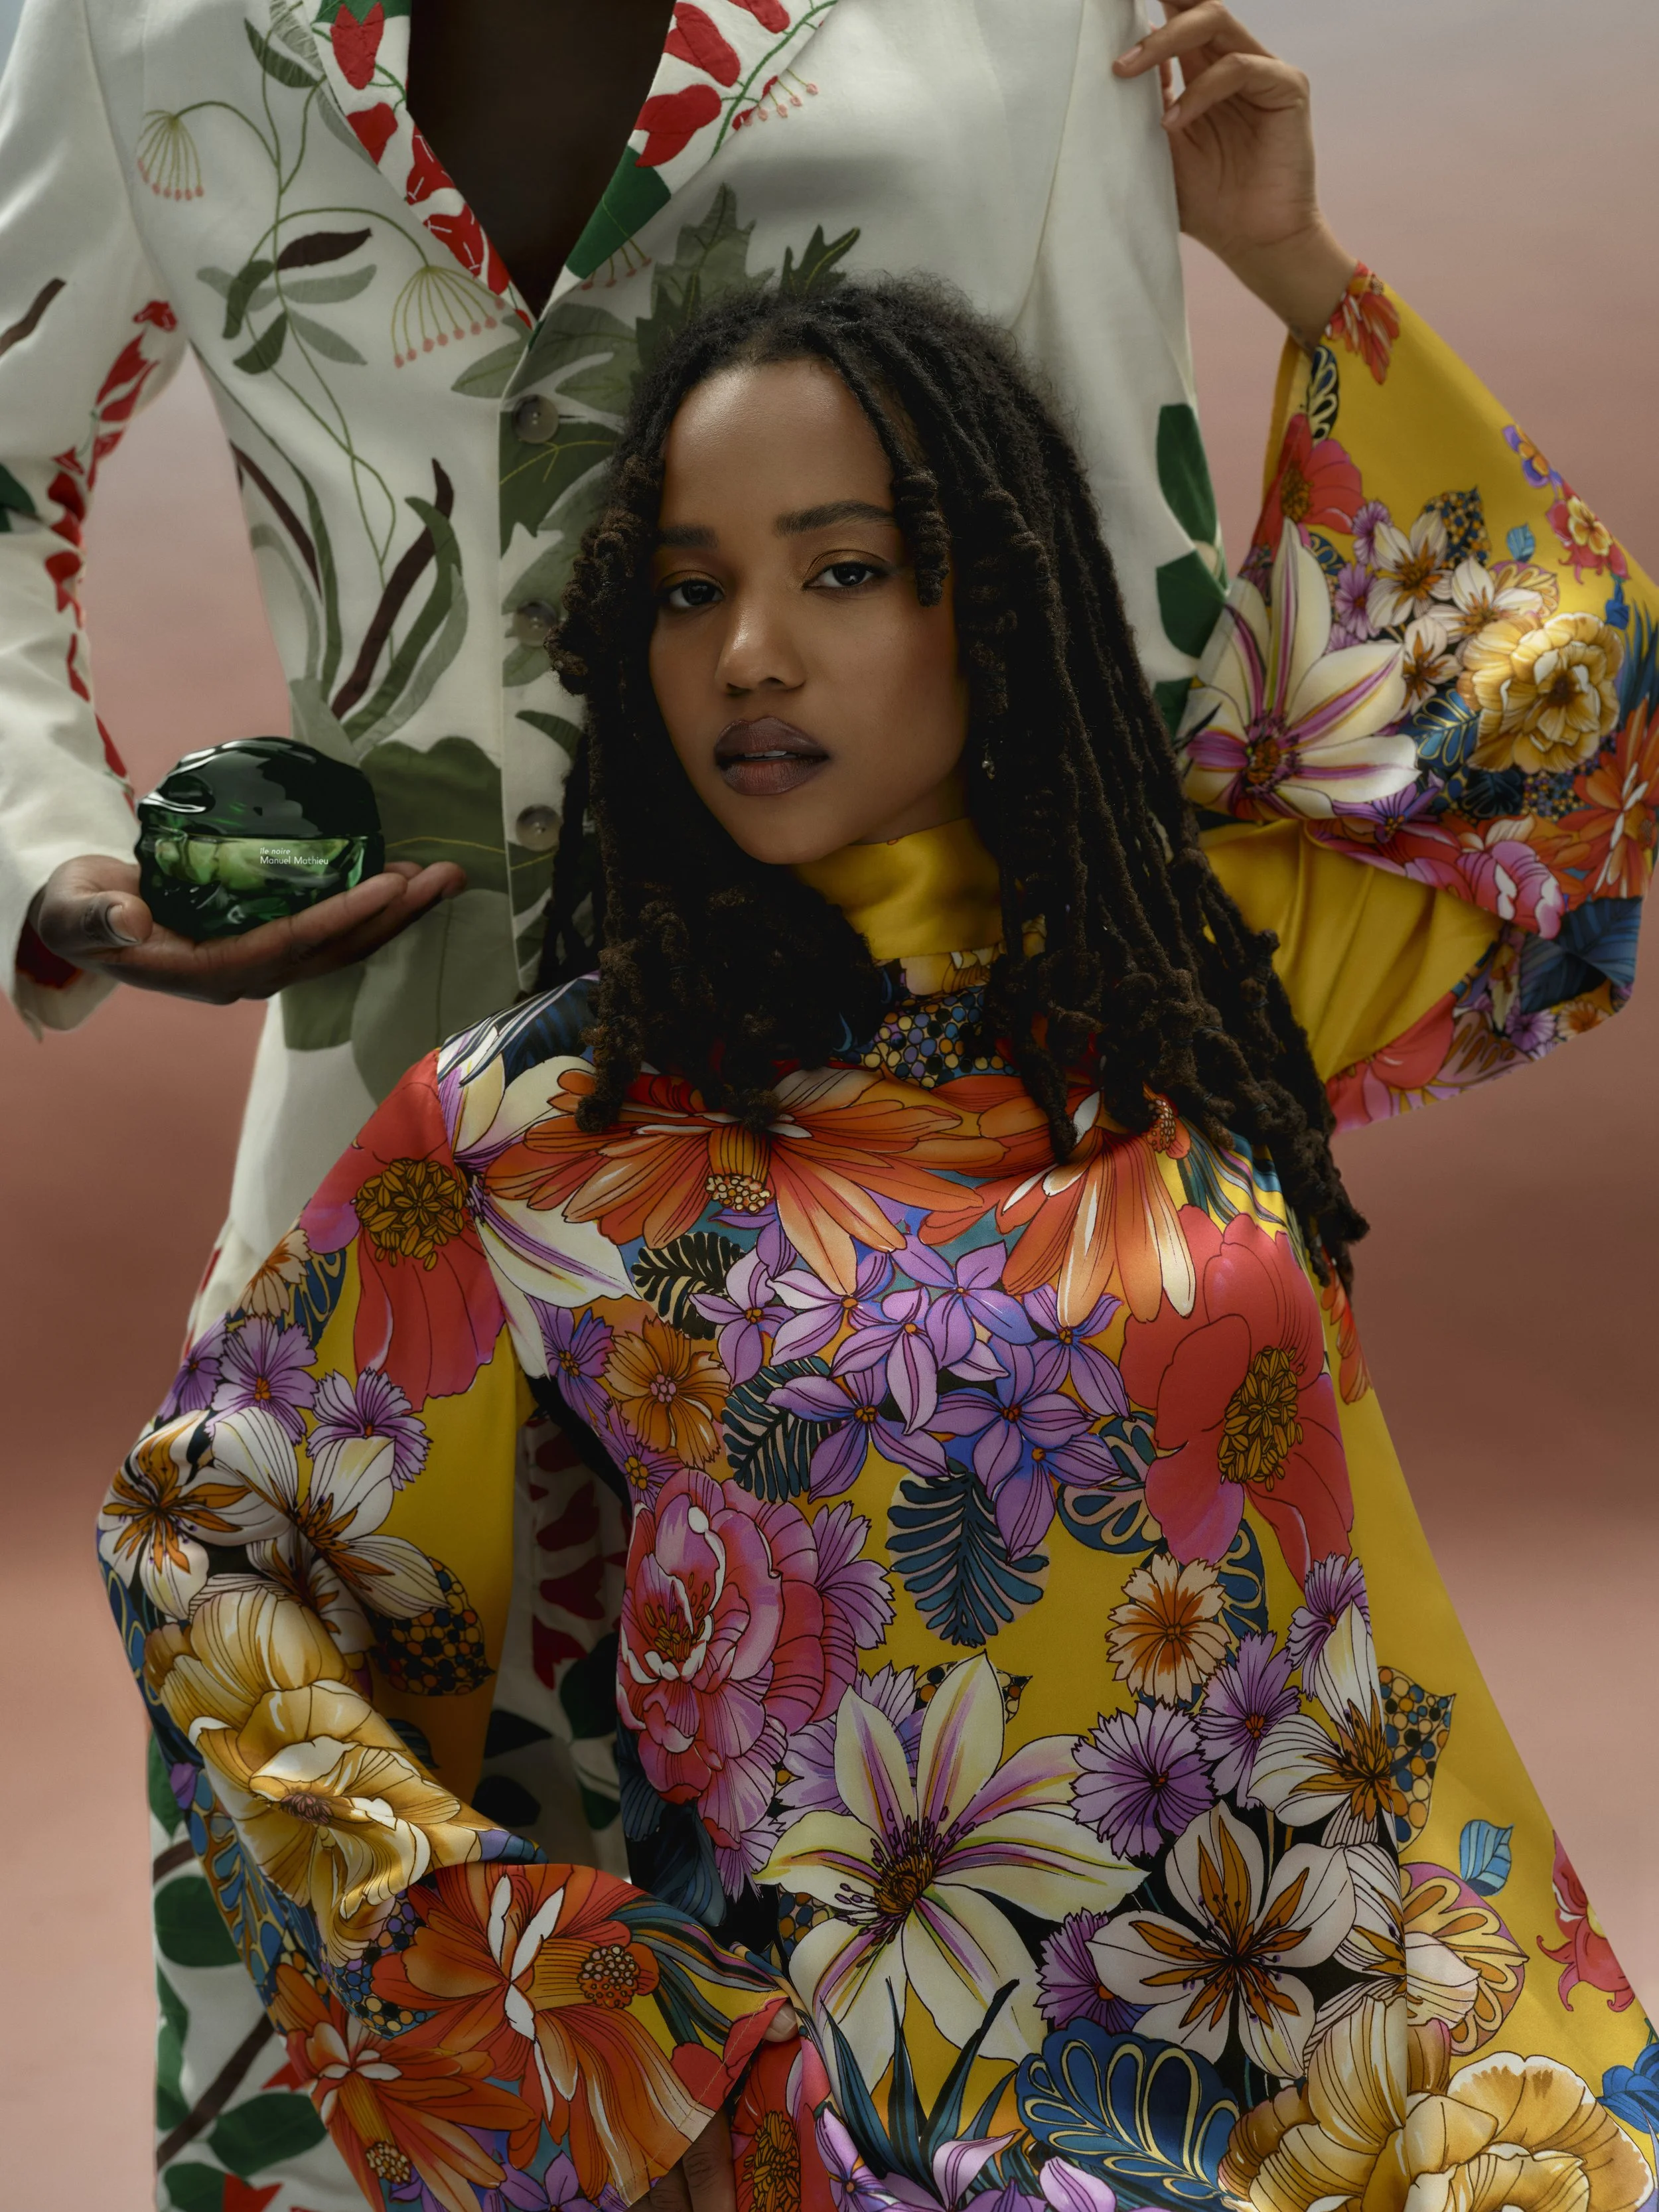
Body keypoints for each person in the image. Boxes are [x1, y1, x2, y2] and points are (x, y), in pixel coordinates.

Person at [97, 6, 1659, 2208]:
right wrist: (583, 2022)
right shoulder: (546, 1133)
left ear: (993, 598)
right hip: (896, 2147)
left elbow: (1570, 780)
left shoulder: (1198, 978)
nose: (755, 650)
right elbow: (203, 1549)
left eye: (844, 569)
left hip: (1385, 2104)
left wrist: (1295, 268)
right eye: (690, 588)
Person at [0, 0, 1227, 1317]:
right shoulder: (125, 14)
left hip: (911, 1188)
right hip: (373, 1175)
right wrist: (50, 844)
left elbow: (1137, 598)